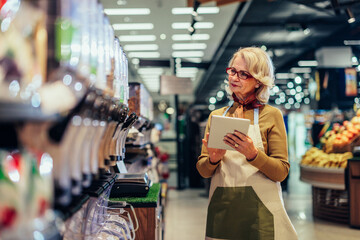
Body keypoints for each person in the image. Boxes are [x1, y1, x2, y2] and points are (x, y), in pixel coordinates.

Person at [197, 47, 297, 240]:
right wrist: (213, 159)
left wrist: (253, 154)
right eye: (233, 71)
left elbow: (281, 172)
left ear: (259, 80)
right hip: (223, 209)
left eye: (244, 74)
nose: (235, 78)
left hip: (261, 211)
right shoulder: (216, 116)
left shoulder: (272, 115)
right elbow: (203, 171)